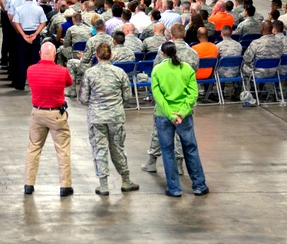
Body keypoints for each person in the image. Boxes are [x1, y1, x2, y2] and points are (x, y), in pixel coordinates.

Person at [78, 42, 139, 196]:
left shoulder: (90, 73)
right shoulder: (120, 73)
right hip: (116, 117)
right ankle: (126, 180)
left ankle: (103, 185)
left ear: (96, 56)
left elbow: (84, 98)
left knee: (100, 149)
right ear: (111, 55)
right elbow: (127, 97)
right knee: (117, 148)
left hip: (97, 118)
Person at [151, 42, 209, 198]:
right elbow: (193, 94)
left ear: (162, 54)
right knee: (190, 149)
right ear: (176, 51)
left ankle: (174, 188)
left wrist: (170, 114)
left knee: (168, 151)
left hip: (164, 115)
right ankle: (199, 185)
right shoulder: (187, 69)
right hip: (184, 116)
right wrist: (182, 113)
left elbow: (158, 96)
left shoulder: (157, 70)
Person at [24, 42, 74, 197]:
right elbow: (69, 83)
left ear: (40, 53)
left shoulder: (31, 70)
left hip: (37, 113)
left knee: (33, 148)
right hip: (56, 115)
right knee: (62, 149)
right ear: (55, 54)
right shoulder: (62, 71)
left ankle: (29, 184)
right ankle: (65, 186)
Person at [11, 0, 48, 90]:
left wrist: (23, 35)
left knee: (22, 60)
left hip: (23, 34)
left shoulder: (19, 9)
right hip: (34, 34)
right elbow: (43, 22)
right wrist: (36, 34)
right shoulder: (39, 9)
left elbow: (16, 22)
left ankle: (20, 84)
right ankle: (35, 84)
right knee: (35, 60)